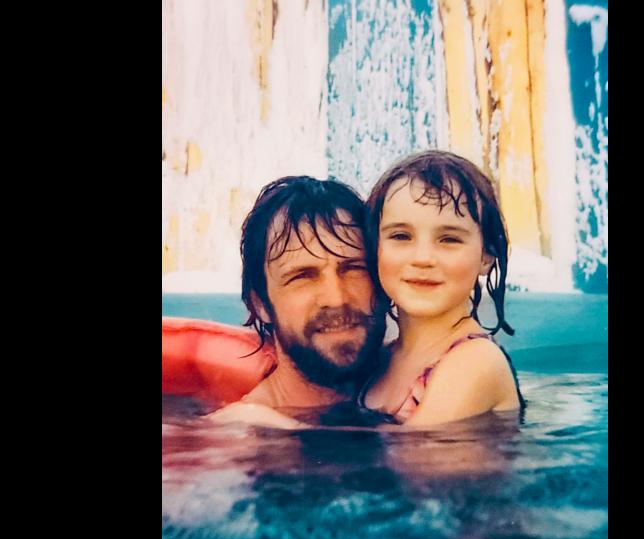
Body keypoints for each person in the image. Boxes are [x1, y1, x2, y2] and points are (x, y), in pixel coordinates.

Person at [163, 175, 387, 429]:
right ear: (259, 304)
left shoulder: (421, 385)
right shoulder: (242, 434)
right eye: (303, 276)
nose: (336, 298)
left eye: (353, 268)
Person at [358, 150, 525, 426]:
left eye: (448, 239)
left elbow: (409, 458)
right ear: (375, 248)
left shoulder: (476, 362)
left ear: (486, 257)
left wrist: (273, 424)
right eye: (401, 236)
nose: (423, 258)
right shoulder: (382, 358)